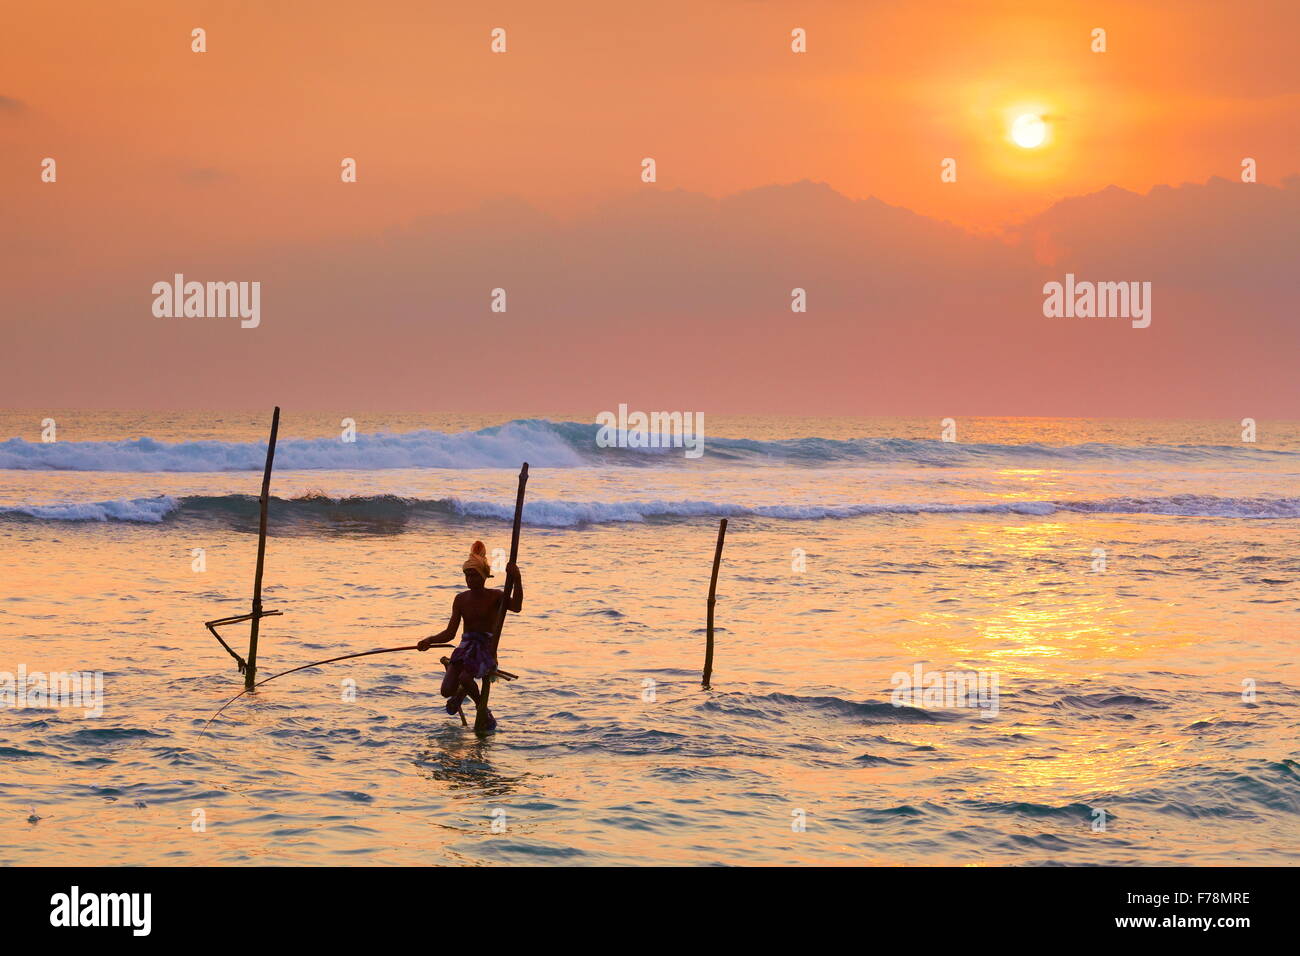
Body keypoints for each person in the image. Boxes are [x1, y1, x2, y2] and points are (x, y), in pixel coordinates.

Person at [418, 541, 523, 729]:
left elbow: (516, 607)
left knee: (466, 679)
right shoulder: (461, 599)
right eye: (467, 576)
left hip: (485, 649)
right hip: (465, 648)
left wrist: (517, 579)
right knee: (445, 690)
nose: (470, 580)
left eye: (474, 576)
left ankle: (483, 709)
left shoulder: (496, 596)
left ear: (483, 576)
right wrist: (429, 640)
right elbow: (450, 633)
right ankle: (459, 694)